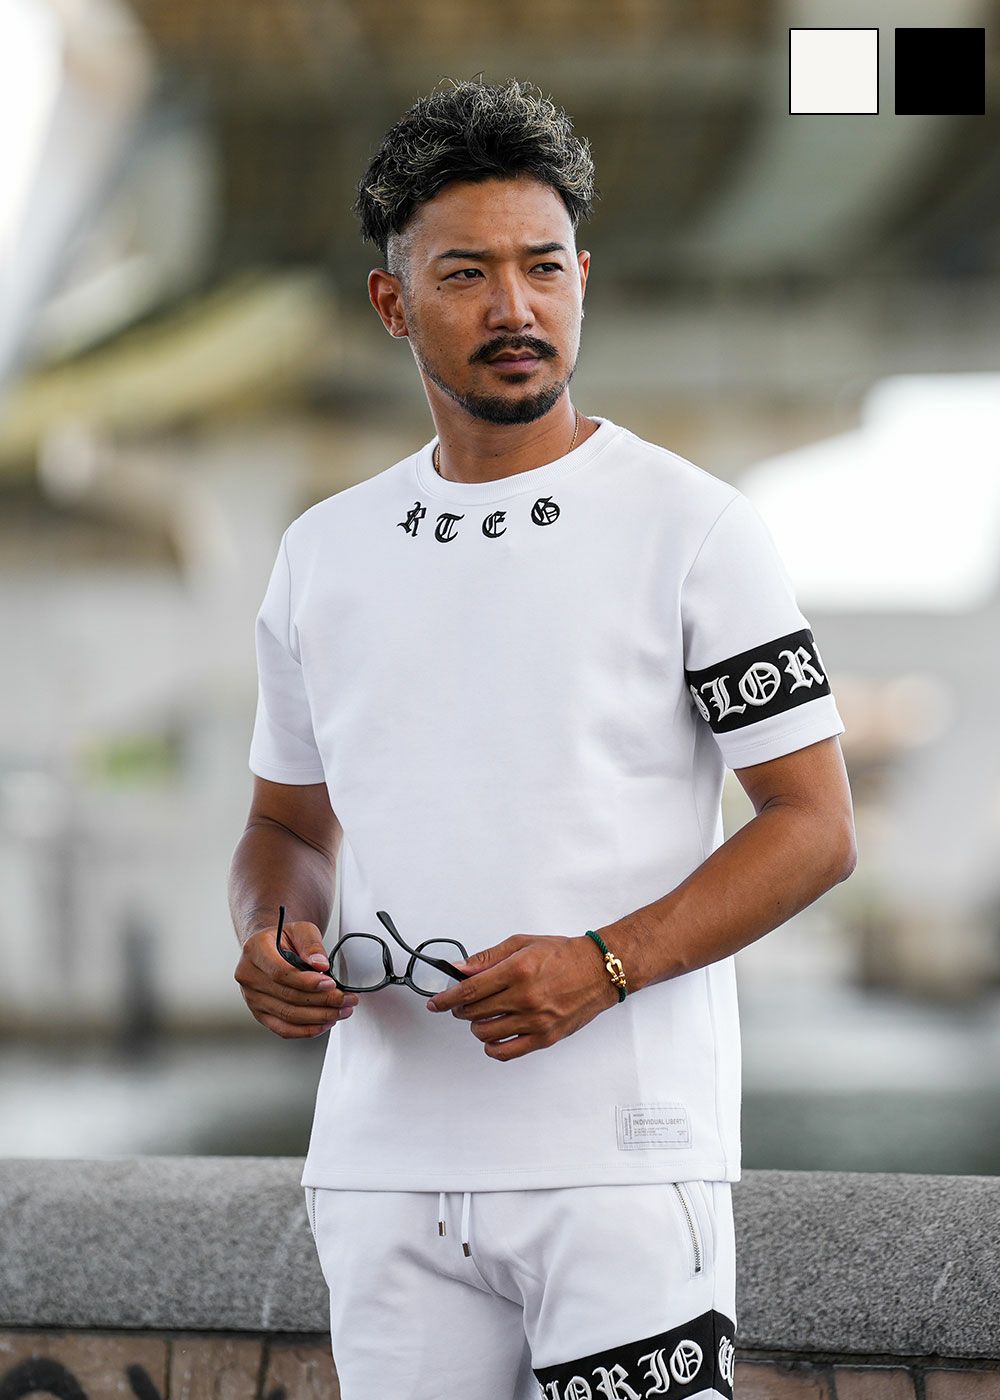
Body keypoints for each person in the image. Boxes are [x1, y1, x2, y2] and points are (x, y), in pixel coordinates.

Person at [228, 76, 856, 1400]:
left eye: (544, 267)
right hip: (381, 1169)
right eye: (466, 274)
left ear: (583, 281)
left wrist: (606, 965)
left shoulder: (696, 528)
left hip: (623, 1162)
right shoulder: (322, 552)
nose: (514, 307)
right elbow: (288, 822)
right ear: (392, 301)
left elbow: (815, 828)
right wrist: (271, 932)